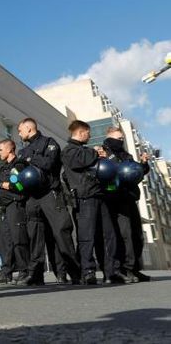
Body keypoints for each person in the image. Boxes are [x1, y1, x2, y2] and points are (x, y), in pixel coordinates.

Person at [17, 118, 80, 286]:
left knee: (60, 232)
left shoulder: (48, 143)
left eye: (20, 130)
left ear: (29, 129)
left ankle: (72, 272)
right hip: (32, 197)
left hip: (50, 193)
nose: (19, 133)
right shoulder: (22, 151)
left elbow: (50, 163)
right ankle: (36, 275)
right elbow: (19, 173)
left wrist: (30, 160)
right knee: (35, 235)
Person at [62, 120, 125, 285]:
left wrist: (101, 155)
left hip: (99, 195)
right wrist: (96, 152)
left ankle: (111, 272)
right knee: (87, 237)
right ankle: (87, 272)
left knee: (108, 235)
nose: (89, 136)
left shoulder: (85, 150)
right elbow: (80, 161)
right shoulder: (69, 150)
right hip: (84, 198)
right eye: (88, 133)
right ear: (82, 132)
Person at [101, 126, 151, 283]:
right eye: (118, 138)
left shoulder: (126, 155)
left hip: (130, 198)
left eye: (122, 139)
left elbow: (135, 172)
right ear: (109, 137)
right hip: (116, 200)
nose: (121, 141)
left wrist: (143, 164)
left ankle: (134, 268)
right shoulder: (103, 153)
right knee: (125, 235)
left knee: (137, 235)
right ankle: (124, 269)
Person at [0, 139, 29, 285]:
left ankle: (24, 272)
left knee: (19, 239)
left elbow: (16, 185)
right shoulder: (4, 168)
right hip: (6, 207)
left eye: (0, 149)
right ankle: (6, 273)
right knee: (5, 241)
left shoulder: (18, 165)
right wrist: (1, 184)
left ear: (10, 150)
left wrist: (1, 184)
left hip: (16, 205)